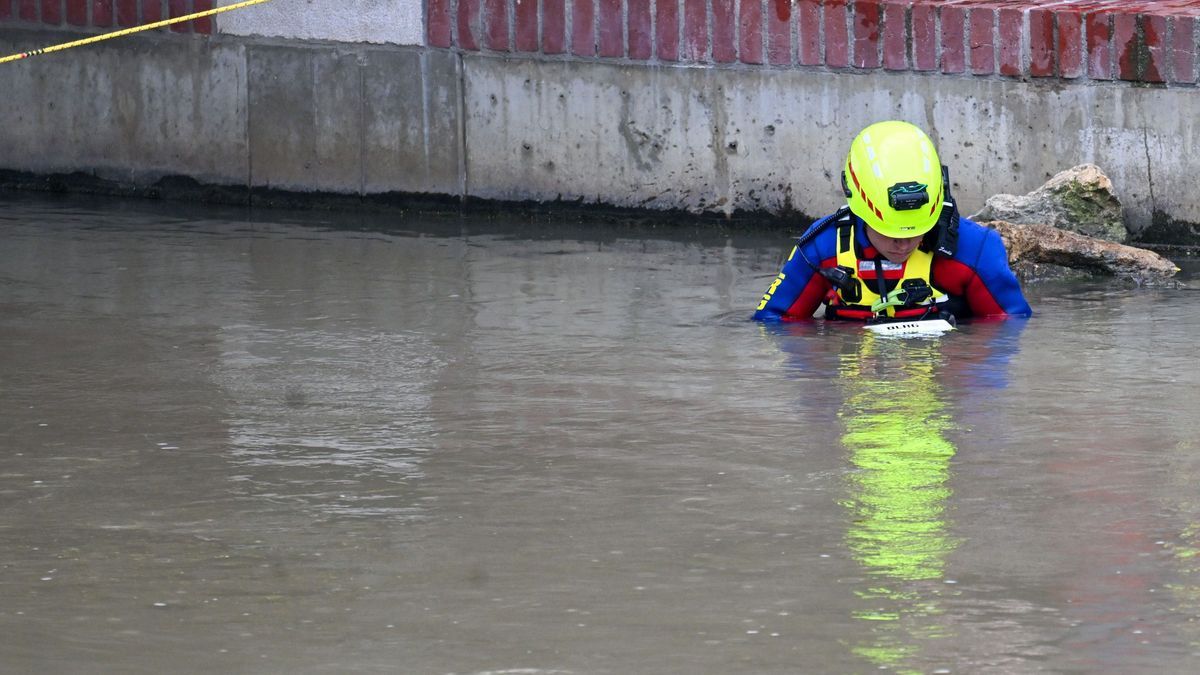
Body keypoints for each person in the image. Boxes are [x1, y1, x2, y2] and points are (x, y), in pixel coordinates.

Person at [753, 120, 1031, 324]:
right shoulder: (822, 247)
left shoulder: (976, 249)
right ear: (859, 208)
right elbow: (773, 323)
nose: (903, 244)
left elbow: (1010, 328)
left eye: (917, 231)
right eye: (888, 231)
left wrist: (957, 362)